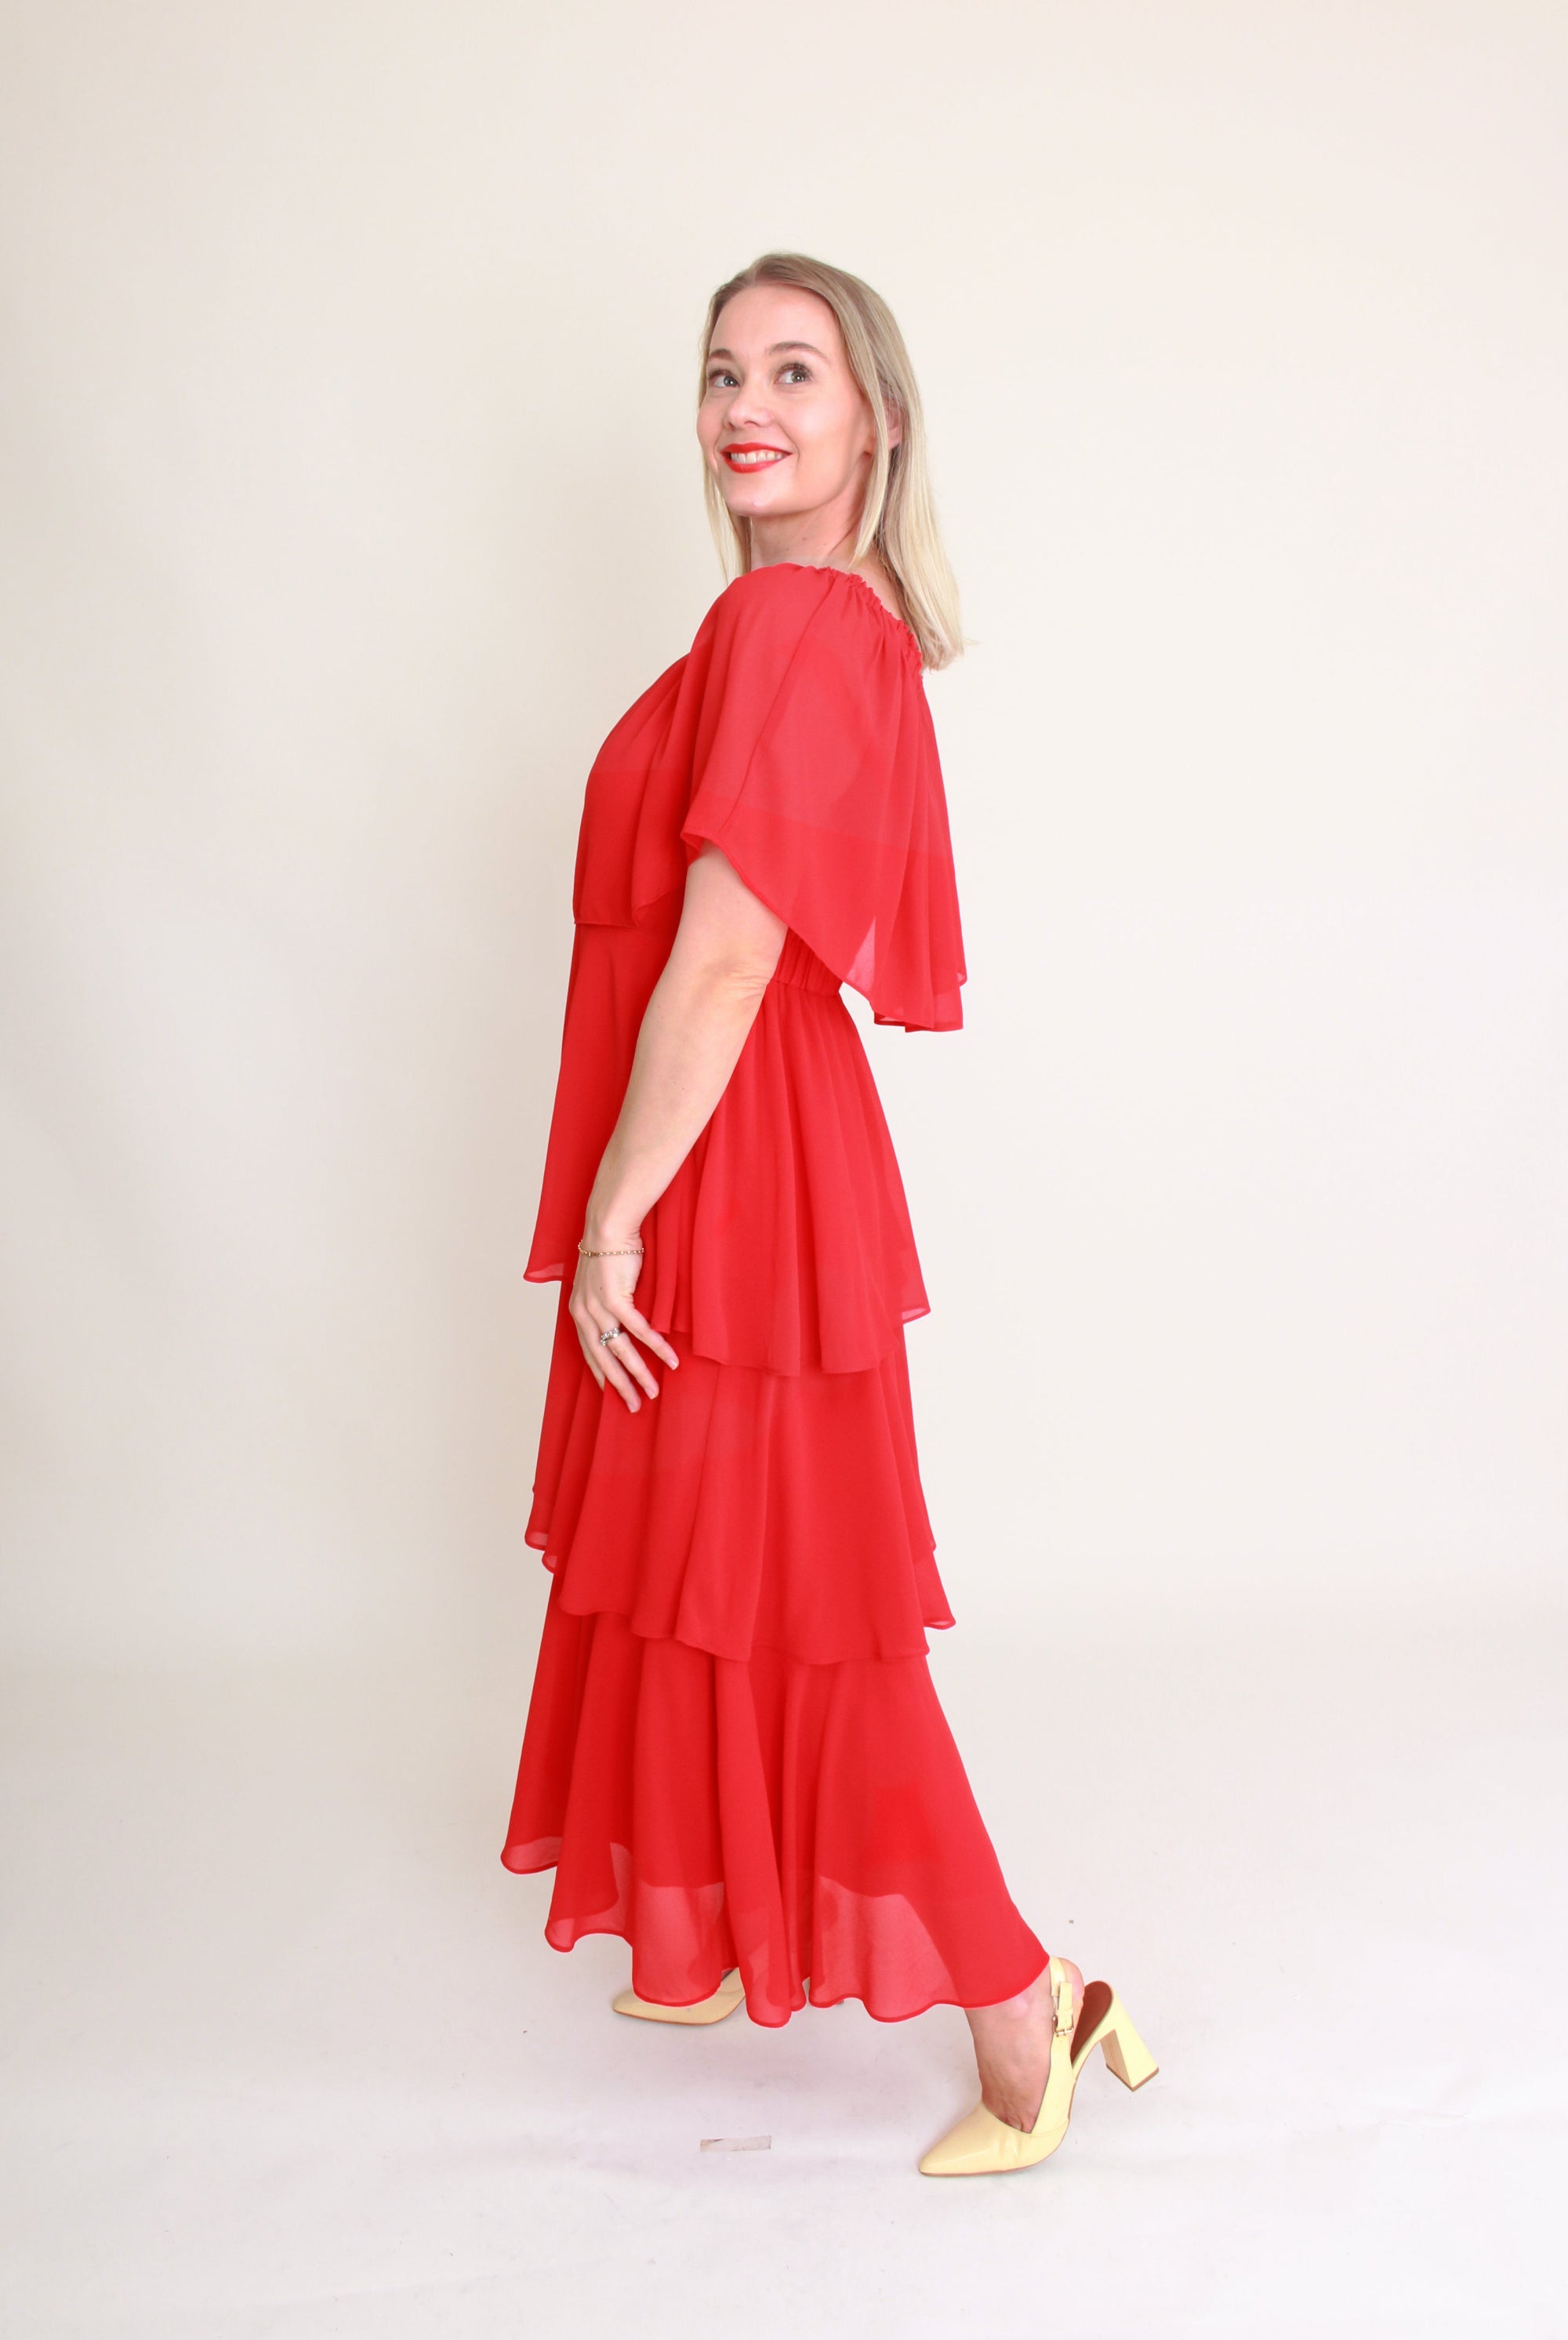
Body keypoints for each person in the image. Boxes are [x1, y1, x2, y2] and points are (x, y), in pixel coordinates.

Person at [501, 251, 1156, 2175]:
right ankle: (705, 1921)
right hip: (748, 1141)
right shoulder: (784, 618)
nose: (743, 404)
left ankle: (1025, 1996)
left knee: (798, 1598)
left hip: (726, 1157)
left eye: (793, 368)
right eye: (719, 372)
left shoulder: (797, 620)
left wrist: (618, 1209)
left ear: (875, 413)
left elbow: (720, 960)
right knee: (692, 1553)